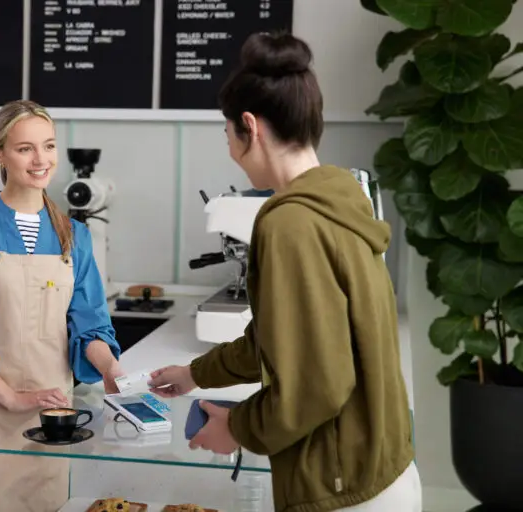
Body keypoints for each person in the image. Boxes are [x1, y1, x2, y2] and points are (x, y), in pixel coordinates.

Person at [148, 33, 421, 512]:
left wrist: (236, 428)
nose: (230, 149)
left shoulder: (288, 221)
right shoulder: (340, 198)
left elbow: (318, 384)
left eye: (227, 134)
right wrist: (195, 374)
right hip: (383, 469)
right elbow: (280, 338)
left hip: (342, 489)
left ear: (249, 127)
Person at [0, 99, 124, 512]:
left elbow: (90, 328)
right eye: (24, 148)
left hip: (50, 419)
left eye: (48, 146)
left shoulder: (75, 236)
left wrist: (110, 368)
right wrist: (11, 398)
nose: (41, 160)